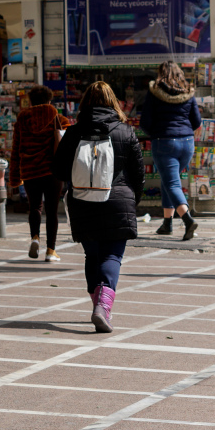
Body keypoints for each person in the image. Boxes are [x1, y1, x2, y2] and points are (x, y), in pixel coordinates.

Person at [53, 81, 145, 333]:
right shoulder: (126, 132)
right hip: (118, 200)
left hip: (83, 201)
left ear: (85, 103)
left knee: (92, 255)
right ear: (113, 102)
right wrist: (132, 201)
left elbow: (59, 170)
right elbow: (138, 174)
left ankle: (98, 305)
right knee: (112, 255)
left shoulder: (73, 133)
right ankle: (102, 308)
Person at [141, 61, 203, 241]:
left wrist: (157, 133)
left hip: (164, 142)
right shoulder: (188, 92)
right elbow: (197, 121)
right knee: (169, 180)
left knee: (172, 183)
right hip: (187, 144)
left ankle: (187, 219)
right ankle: (167, 223)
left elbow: (145, 121)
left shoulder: (154, 92)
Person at [10, 85, 72, 262]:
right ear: (49, 100)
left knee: (35, 207)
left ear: (30, 101)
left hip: (30, 171)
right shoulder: (58, 118)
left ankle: (35, 238)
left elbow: (15, 149)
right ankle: (51, 251)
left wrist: (15, 176)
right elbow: (68, 141)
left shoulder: (22, 119)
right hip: (52, 171)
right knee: (52, 211)